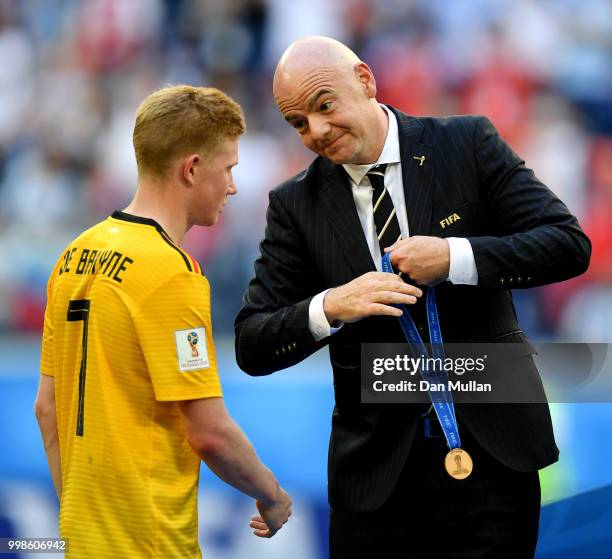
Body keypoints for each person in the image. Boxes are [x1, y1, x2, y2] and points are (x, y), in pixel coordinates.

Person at [234, 37, 591, 558]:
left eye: (324, 106)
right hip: (377, 480)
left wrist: (454, 257)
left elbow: (567, 245)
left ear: (365, 80)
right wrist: (329, 306)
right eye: (297, 123)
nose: (315, 131)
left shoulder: (466, 143)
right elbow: (251, 342)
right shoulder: (295, 204)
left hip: (494, 449)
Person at [34, 85, 292, 559]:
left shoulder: (73, 255)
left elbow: (47, 410)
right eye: (228, 168)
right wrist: (272, 495)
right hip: (150, 544)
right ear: (192, 169)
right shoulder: (173, 273)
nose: (233, 186)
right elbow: (209, 432)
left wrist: (82, 517)